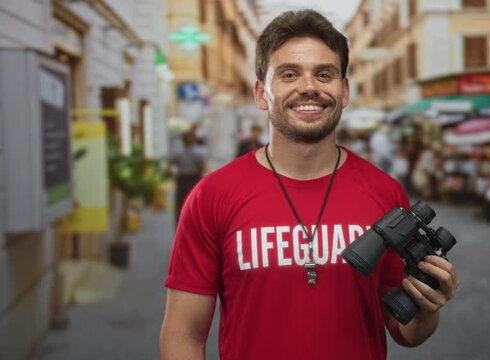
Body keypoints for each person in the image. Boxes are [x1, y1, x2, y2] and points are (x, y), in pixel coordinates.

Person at [160, 10, 459, 360]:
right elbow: (183, 333)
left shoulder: (385, 193)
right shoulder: (211, 197)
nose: (309, 87)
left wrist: (428, 308)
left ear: (344, 91)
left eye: (324, 74)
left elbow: (406, 332)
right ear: (261, 93)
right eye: (289, 74)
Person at [169, 128, 207, 225]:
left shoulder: (178, 153)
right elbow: (202, 168)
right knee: (195, 204)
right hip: (194, 179)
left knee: (181, 204)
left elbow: (168, 167)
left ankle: (180, 225)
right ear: (194, 140)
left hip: (182, 179)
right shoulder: (199, 153)